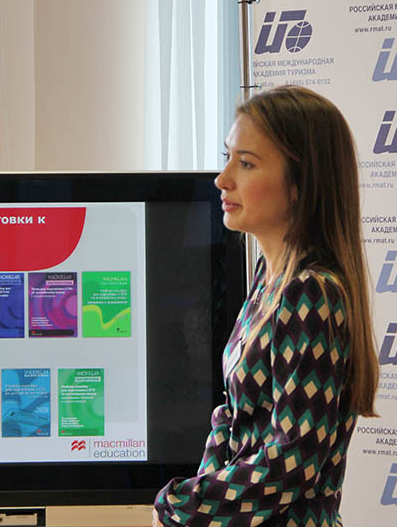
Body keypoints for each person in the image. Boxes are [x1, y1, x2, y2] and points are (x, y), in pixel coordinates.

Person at [152, 85, 379, 527]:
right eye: (228, 157)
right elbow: (232, 418)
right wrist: (191, 504)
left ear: (300, 184)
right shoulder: (267, 279)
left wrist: (182, 505)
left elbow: (293, 461)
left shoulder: (311, 292)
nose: (223, 179)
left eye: (247, 163)